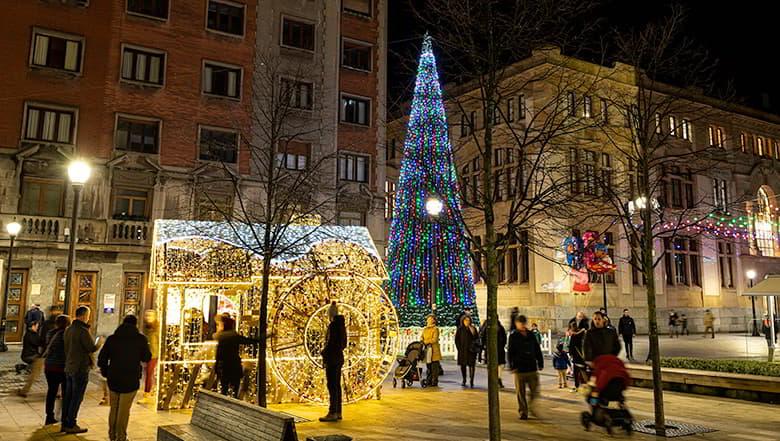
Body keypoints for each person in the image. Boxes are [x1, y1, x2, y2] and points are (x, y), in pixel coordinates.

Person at [98, 315, 152, 441]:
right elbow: (146, 357)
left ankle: (112, 435)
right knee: (124, 410)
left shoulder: (112, 338)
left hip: (114, 377)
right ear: (135, 325)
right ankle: (121, 437)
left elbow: (102, 358)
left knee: (114, 409)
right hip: (131, 378)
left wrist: (106, 372)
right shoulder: (140, 339)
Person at [62, 306, 98, 434]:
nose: (89, 318)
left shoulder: (68, 329)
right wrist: (100, 343)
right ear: (83, 316)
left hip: (69, 366)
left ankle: (65, 422)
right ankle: (71, 423)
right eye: (88, 315)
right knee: (77, 397)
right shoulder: (82, 331)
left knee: (69, 395)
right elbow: (91, 348)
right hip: (80, 368)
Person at [507, 315, 543, 420]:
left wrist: (540, 362)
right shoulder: (514, 336)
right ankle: (523, 411)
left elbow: (537, 349)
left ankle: (530, 406)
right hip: (520, 368)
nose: (522, 325)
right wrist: (512, 365)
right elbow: (510, 352)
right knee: (521, 392)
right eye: (520, 323)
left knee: (534, 390)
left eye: (523, 323)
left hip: (531, 366)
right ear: (517, 324)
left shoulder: (531, 335)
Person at [215, 316, 258, 399]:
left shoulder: (222, 338)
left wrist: (217, 368)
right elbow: (250, 341)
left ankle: (225, 405)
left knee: (224, 389)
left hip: (225, 367)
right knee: (235, 388)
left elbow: (219, 354)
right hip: (234, 365)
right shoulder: (234, 336)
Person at [320, 302, 347, 422]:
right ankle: (338, 411)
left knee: (332, 385)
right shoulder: (342, 326)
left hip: (332, 358)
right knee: (336, 385)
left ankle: (332, 412)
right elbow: (343, 344)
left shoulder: (333, 326)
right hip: (339, 358)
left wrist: (324, 352)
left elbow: (331, 342)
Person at [42, 314, 70, 426]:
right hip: (62, 367)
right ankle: (64, 416)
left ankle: (49, 416)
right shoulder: (66, 335)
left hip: (49, 366)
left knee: (51, 392)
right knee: (65, 392)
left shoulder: (50, 333)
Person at [138, 309, 159, 404]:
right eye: (146, 315)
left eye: (150, 315)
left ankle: (147, 393)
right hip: (146, 353)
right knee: (149, 374)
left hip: (154, 354)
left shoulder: (157, 328)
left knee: (149, 373)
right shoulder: (145, 327)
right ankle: (151, 390)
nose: (148, 317)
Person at [17, 321, 44, 398]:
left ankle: (24, 390)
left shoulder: (29, 334)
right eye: (36, 326)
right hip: (32, 356)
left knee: (34, 374)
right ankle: (24, 391)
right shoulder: (32, 335)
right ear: (33, 326)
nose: (37, 328)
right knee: (34, 374)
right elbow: (38, 342)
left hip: (31, 356)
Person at [455, 315, 480, 388]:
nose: (467, 322)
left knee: (471, 365)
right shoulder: (460, 329)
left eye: (468, 320)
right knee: (463, 365)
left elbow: (477, 338)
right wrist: (459, 348)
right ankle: (464, 379)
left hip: (471, 350)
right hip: (463, 350)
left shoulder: (473, 328)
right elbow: (457, 340)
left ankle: (471, 380)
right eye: (465, 320)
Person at [421, 314, 442, 387]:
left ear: (434, 320)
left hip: (434, 350)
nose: (429, 320)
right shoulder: (425, 329)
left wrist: (426, 341)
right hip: (427, 350)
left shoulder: (435, 329)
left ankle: (434, 381)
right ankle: (429, 380)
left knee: (434, 367)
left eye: (431, 319)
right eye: (428, 319)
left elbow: (434, 339)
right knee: (428, 366)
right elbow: (422, 337)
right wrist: (422, 341)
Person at [568, 322, 587, 392]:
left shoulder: (574, 335)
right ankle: (586, 386)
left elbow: (572, 346)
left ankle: (577, 386)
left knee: (576, 372)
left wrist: (570, 353)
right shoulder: (583, 333)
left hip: (577, 356)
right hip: (583, 356)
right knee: (583, 371)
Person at [496, 319, 507, 388]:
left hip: (500, 349)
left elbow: (504, 338)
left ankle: (498, 378)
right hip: (497, 350)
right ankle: (497, 379)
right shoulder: (489, 327)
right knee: (498, 366)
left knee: (500, 365)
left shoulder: (500, 328)